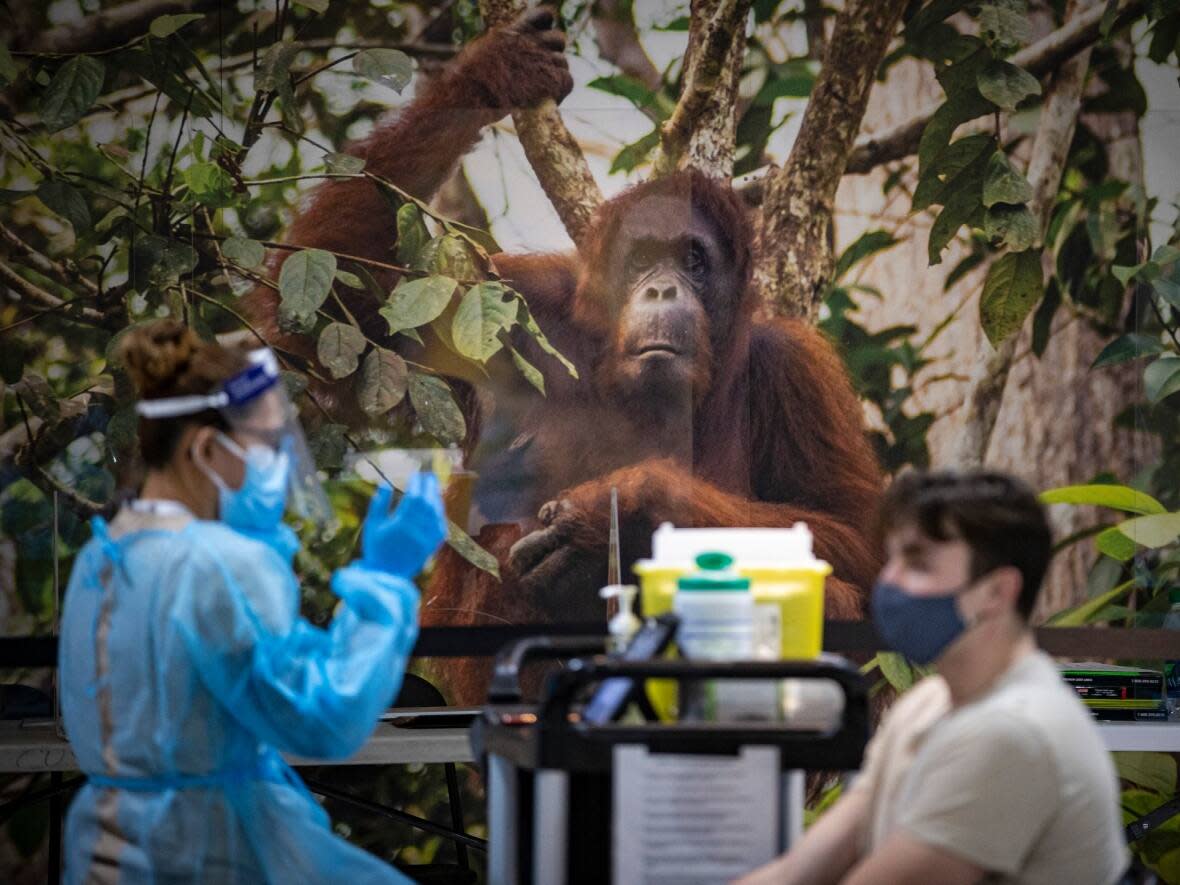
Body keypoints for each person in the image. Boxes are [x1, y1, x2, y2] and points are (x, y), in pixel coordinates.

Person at [59, 320, 447, 884]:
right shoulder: (216, 563)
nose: (284, 465)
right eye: (268, 445)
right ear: (207, 449)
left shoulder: (107, 552)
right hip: (209, 851)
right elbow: (323, 718)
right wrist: (384, 582)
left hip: (111, 848)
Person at [737, 470, 1129, 885]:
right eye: (892, 560)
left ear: (997, 592)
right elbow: (802, 868)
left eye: (918, 563)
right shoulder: (929, 704)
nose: (887, 583)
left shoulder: (1012, 732)